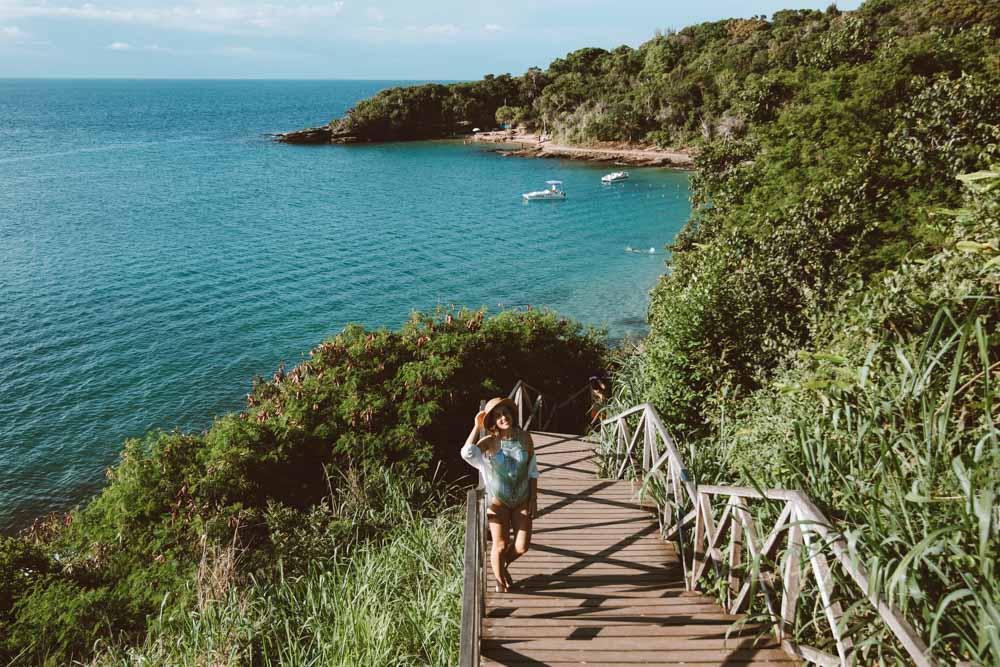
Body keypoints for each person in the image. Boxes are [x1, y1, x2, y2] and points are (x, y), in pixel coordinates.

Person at [461, 397, 539, 592]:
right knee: (501, 545)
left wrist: (533, 499)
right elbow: (467, 453)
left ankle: (501, 563)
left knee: (522, 546)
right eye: (497, 416)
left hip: (522, 498)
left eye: (505, 413)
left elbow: (532, 470)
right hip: (498, 501)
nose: (503, 418)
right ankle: (500, 581)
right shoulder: (489, 441)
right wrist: (476, 427)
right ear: (493, 421)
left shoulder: (525, 438)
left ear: (512, 414)